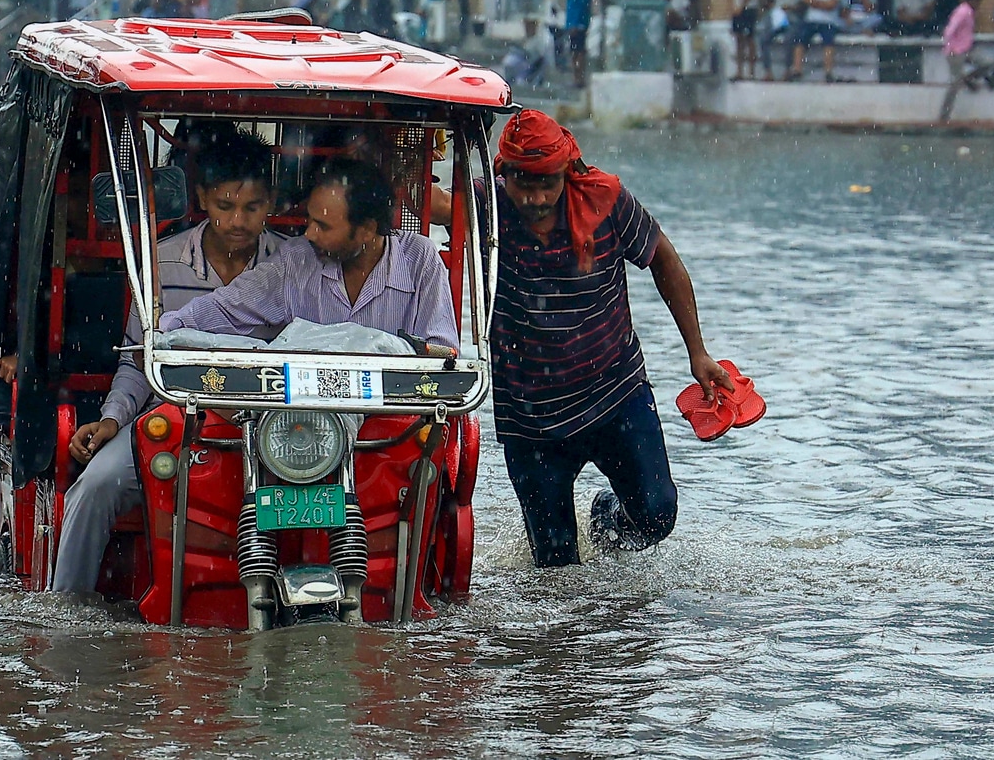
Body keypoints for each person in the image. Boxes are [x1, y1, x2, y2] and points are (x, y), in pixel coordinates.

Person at [436, 109, 731, 564]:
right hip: (531, 418)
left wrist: (698, 352)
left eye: (546, 184)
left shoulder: (606, 202)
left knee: (656, 515)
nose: (534, 197)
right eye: (522, 184)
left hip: (615, 394)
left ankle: (606, 517)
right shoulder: (487, 211)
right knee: (557, 568)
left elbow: (664, 260)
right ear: (503, 174)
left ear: (567, 172)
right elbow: (418, 201)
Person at [49, 125, 287, 594]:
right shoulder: (161, 263)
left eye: (252, 208)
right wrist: (113, 420)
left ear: (270, 204)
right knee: (96, 486)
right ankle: (65, 608)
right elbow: (138, 360)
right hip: (170, 424)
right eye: (225, 206)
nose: (238, 221)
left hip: (268, 429)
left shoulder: (293, 264)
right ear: (201, 198)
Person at [158, 157, 459, 353]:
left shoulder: (419, 258)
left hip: (394, 421)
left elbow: (444, 353)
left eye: (323, 225)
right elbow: (226, 308)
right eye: (310, 221)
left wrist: (385, 350)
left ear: (367, 230)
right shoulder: (298, 258)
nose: (309, 234)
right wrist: (164, 332)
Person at [939, 0, 986, 122]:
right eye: (978, 2)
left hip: (966, 50)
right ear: (972, 1)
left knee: (986, 64)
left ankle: (966, 79)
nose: (979, 5)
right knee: (955, 84)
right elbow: (950, 29)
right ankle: (944, 115)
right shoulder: (962, 11)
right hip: (956, 51)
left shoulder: (970, 12)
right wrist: (949, 46)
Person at [789, 0, 842, 82]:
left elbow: (831, 5)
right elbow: (806, 0)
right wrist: (823, 3)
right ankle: (797, 69)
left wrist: (815, 3)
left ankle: (828, 72)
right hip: (811, 21)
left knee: (828, 42)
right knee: (800, 39)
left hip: (828, 22)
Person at [762, 0, 804, 81]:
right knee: (763, 38)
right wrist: (772, 6)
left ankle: (787, 70)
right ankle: (768, 71)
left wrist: (792, 7)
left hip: (792, 17)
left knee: (789, 39)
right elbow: (767, 1)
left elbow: (803, 4)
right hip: (777, 17)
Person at [563, 0, 593, 86]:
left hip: (578, 25)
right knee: (575, 52)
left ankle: (579, 78)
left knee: (578, 52)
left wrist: (576, 24)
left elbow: (580, 7)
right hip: (573, 24)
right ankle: (577, 77)